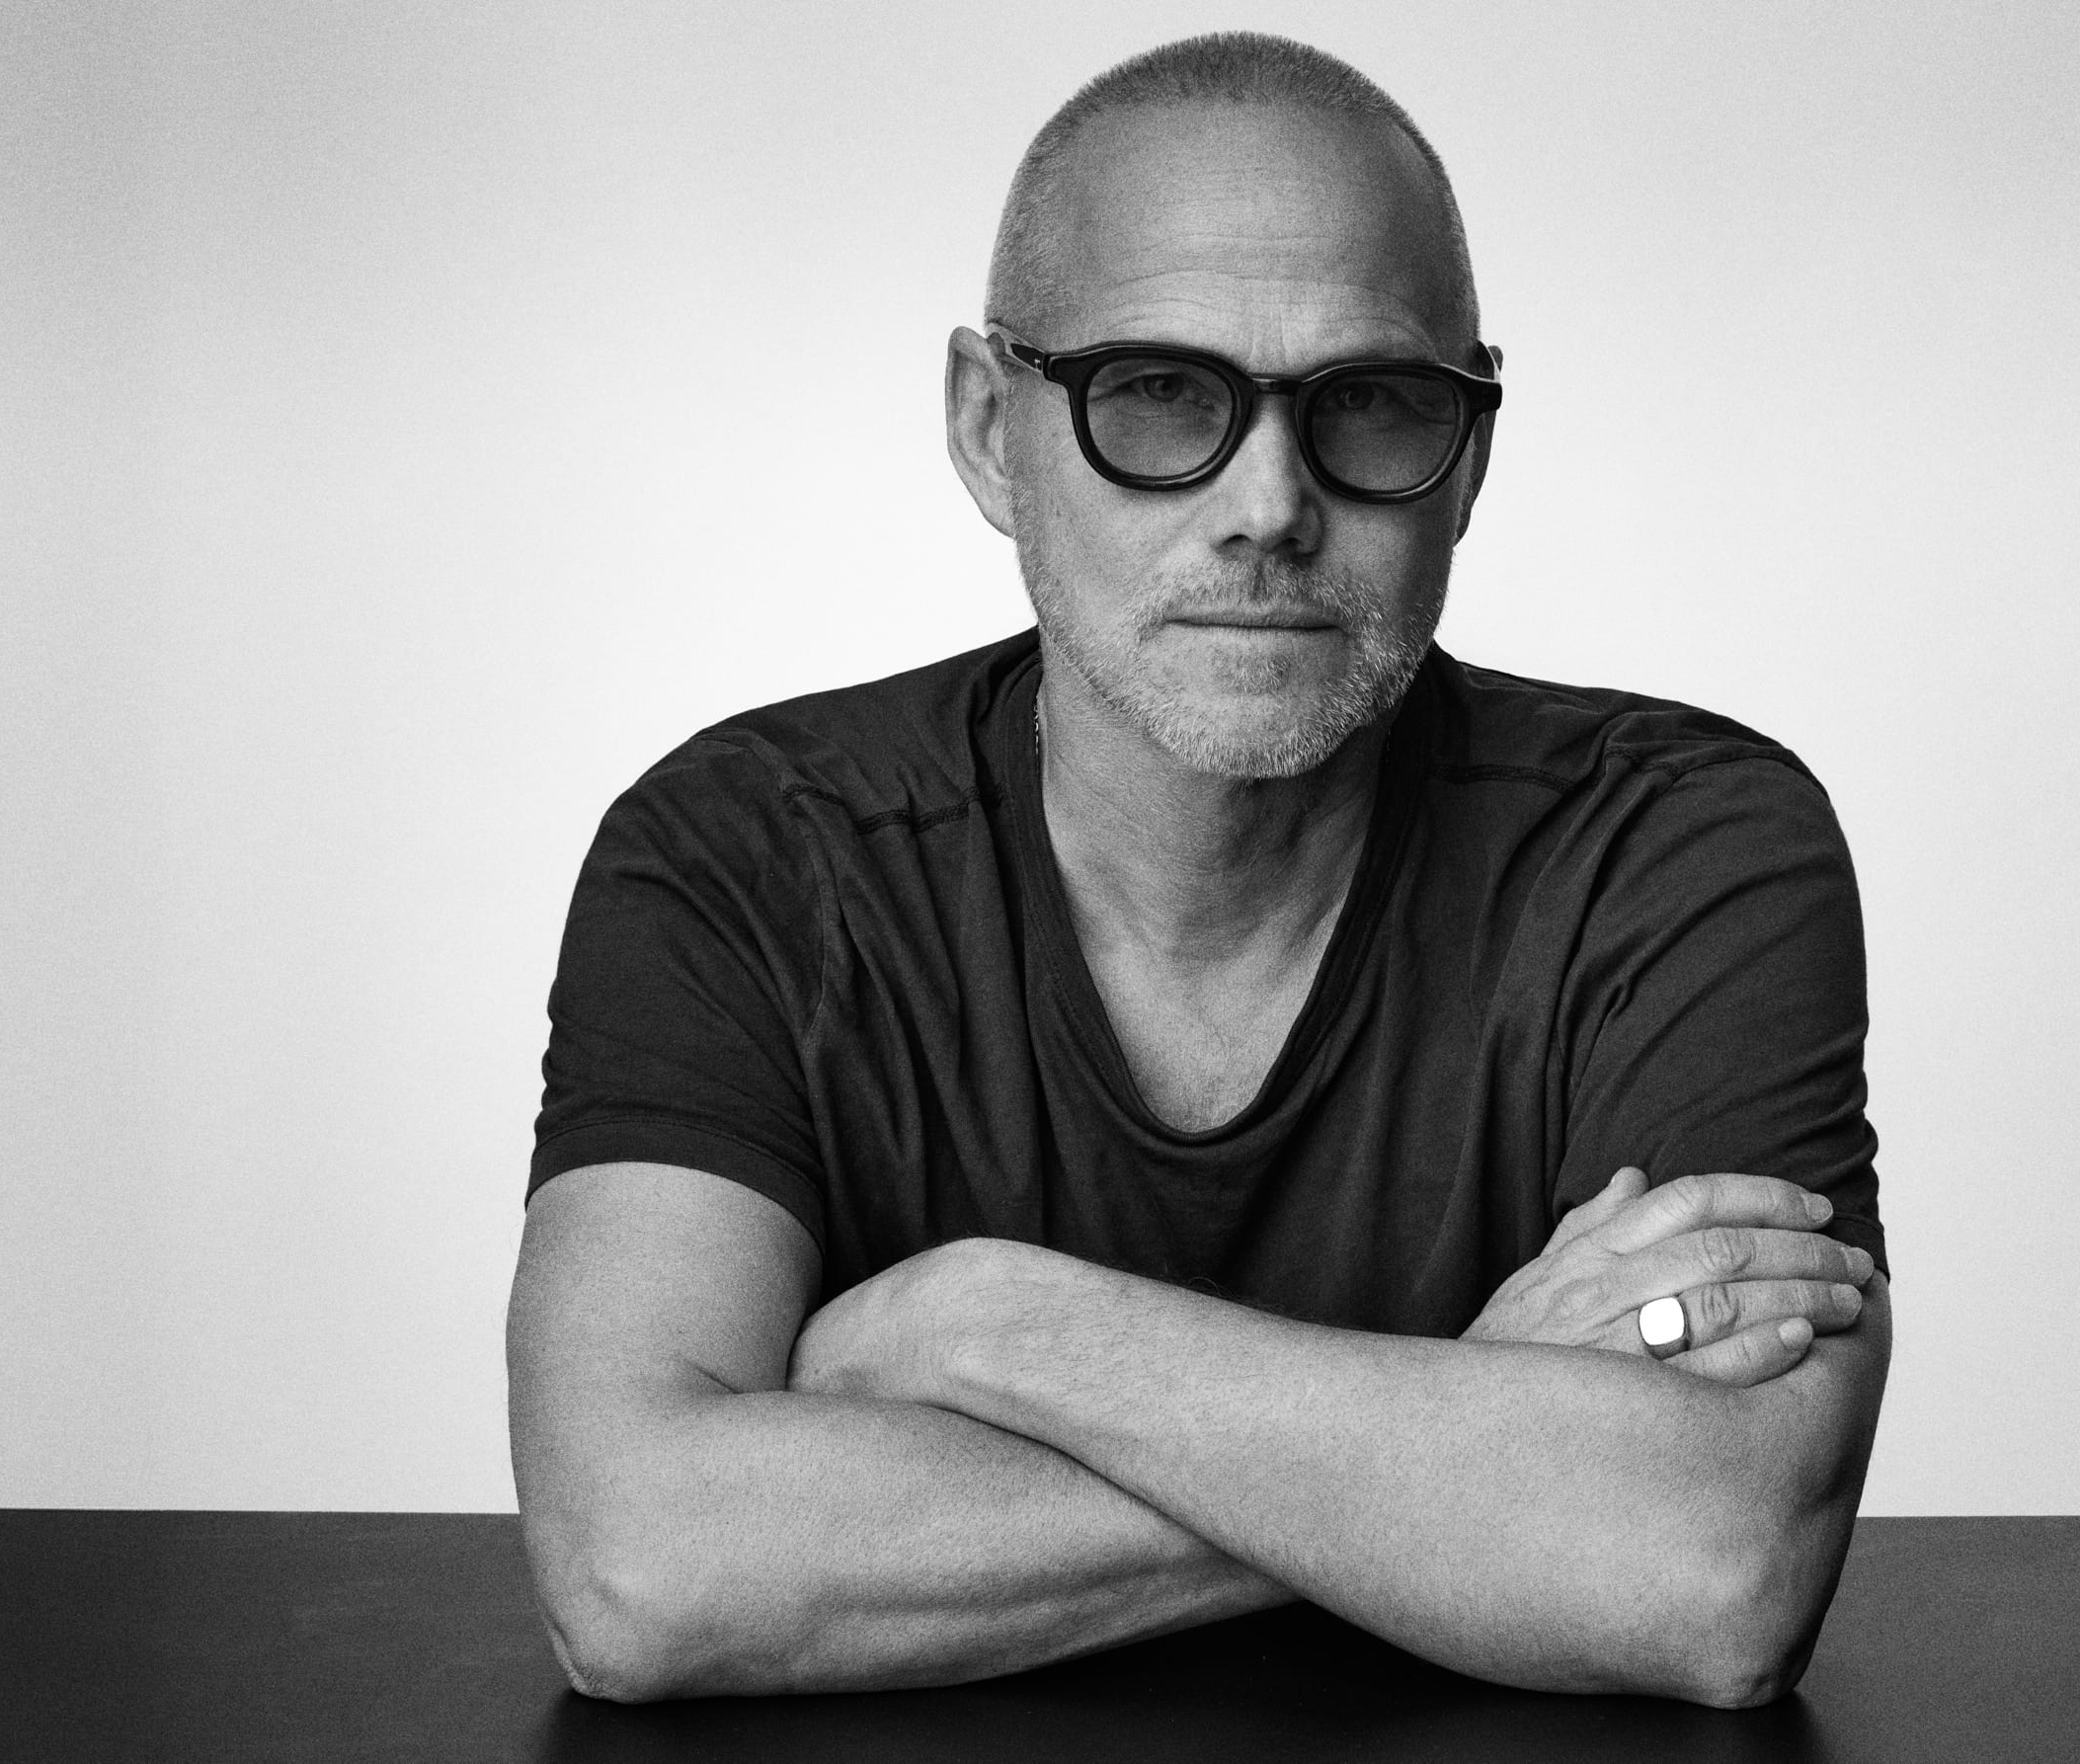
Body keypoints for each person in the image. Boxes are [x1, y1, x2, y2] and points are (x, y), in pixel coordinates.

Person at [508, 32, 1890, 1708]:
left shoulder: (1678, 851)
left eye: (1368, 401)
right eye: (1159, 393)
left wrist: (987, 1328)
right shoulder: (742, 857)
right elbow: (643, 1567)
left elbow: (1710, 1566)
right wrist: (1466, 1431)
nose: (1269, 506)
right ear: (989, 428)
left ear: (1470, 452)